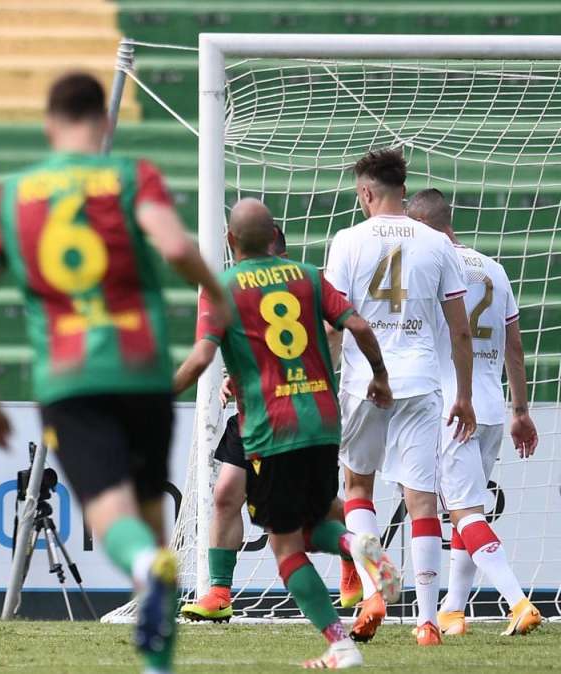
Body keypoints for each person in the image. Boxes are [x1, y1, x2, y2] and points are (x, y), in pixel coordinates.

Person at [0, 71, 229, 674]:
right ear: (105, 122)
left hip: (69, 377)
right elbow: (179, 249)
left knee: (108, 505)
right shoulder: (135, 176)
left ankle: (142, 571)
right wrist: (219, 296)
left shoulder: (12, 195)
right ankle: (158, 659)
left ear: (51, 123)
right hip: (143, 370)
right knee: (151, 509)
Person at [174, 198, 399, 669]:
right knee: (315, 523)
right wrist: (379, 376)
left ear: (230, 241)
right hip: (322, 423)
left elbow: (199, 359)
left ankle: (340, 644)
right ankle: (356, 545)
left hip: (271, 430)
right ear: (275, 233)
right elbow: (357, 324)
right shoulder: (309, 276)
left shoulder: (220, 288)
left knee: (286, 548)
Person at [325, 149, 477, 646]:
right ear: (401, 188)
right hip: (421, 381)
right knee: (422, 501)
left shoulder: (347, 241)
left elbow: (334, 324)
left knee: (358, 488)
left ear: (367, 193)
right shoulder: (437, 243)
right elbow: (460, 332)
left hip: (364, 381)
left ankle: (372, 589)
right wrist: (466, 396)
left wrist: (327, 382)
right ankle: (429, 621)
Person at [406, 188, 542, 636]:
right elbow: (515, 347)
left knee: (465, 513)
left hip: (451, 405)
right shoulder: (495, 269)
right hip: (490, 406)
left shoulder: (431, 269)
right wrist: (520, 409)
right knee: (467, 509)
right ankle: (453, 610)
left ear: (425, 227)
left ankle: (519, 602)